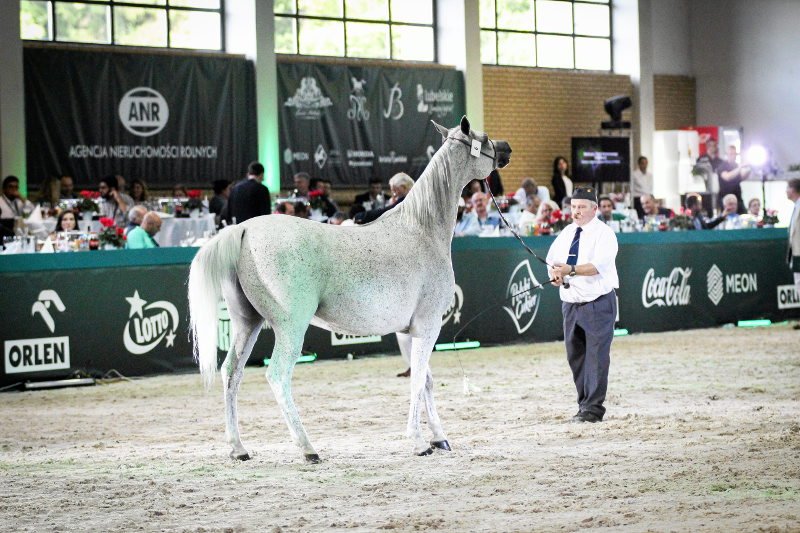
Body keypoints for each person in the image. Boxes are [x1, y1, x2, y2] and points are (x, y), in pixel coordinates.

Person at [546, 187, 618, 423]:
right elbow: (552, 260)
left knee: (596, 356)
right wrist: (556, 274)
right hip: (570, 303)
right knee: (575, 355)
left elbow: (598, 266)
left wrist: (571, 270)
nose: (576, 212)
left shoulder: (604, 234)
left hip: (598, 303)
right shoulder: (566, 233)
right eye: (573, 207)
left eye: (581, 207)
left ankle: (593, 409)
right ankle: (583, 404)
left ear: (594, 209)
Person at [716, 145, 751, 213]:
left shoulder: (736, 165)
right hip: (726, 198)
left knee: (744, 215)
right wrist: (739, 167)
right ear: (727, 154)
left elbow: (742, 177)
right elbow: (727, 177)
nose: (733, 156)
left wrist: (749, 168)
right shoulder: (722, 166)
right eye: (731, 154)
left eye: (734, 154)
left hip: (737, 197)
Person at [786, 178, 800, 329]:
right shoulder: (796, 206)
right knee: (798, 284)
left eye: (787, 188)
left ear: (793, 189)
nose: (786, 191)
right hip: (796, 252)